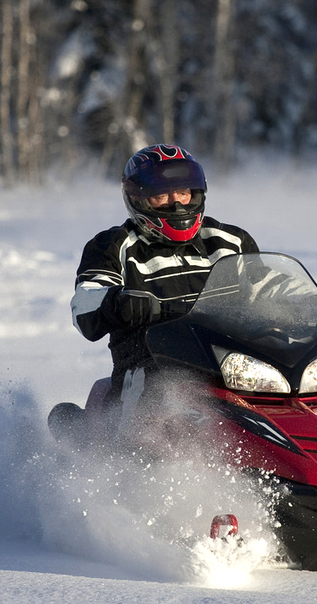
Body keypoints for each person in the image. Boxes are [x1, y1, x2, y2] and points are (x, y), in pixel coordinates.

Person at [69, 144, 258, 437]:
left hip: (233, 362)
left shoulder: (230, 241)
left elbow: (269, 288)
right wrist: (117, 302)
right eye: (162, 196)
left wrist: (312, 308)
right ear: (139, 200)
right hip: (151, 364)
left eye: (183, 192)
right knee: (161, 389)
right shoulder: (113, 245)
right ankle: (133, 459)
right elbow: (85, 302)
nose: (177, 204)